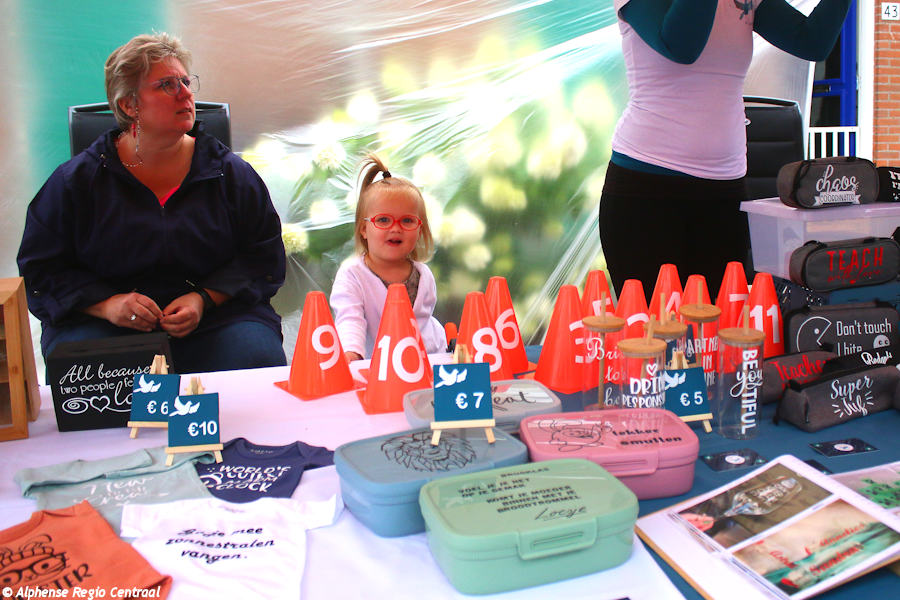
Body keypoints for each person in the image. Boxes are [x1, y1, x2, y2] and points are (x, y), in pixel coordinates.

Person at [17, 32, 287, 374]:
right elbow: (41, 271)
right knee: (87, 374)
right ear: (129, 106)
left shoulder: (231, 175)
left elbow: (262, 257)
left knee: (255, 360)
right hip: (104, 326)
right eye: (167, 85)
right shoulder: (75, 183)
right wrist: (107, 305)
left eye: (186, 82)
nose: (186, 93)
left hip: (219, 321)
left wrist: (204, 298)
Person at [599, 0, 851, 300]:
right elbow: (681, 46)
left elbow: (811, 40)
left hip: (724, 192)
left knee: (718, 324)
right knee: (654, 326)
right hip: (647, 191)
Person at [330, 154, 445, 362]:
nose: (396, 228)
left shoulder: (424, 275)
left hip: (428, 361)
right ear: (364, 229)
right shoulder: (352, 275)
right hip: (377, 367)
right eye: (383, 220)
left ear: (419, 229)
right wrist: (351, 353)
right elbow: (349, 320)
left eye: (407, 221)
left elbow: (425, 326)